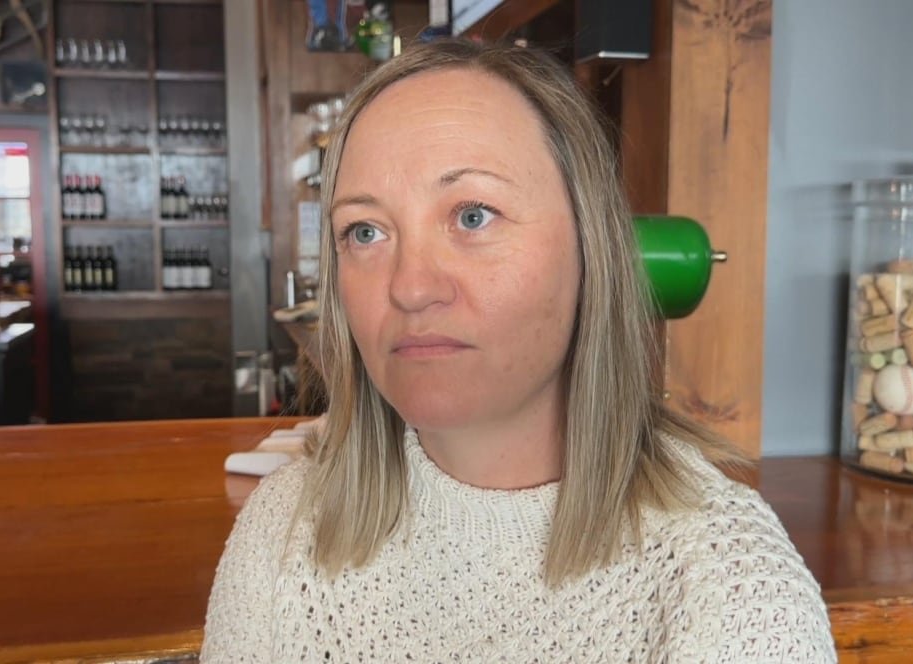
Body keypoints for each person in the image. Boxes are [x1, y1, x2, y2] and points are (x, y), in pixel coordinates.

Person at [203, 40, 835, 662]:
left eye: (473, 215)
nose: (411, 287)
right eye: (365, 232)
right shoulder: (282, 528)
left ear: (593, 250)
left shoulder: (734, 596)